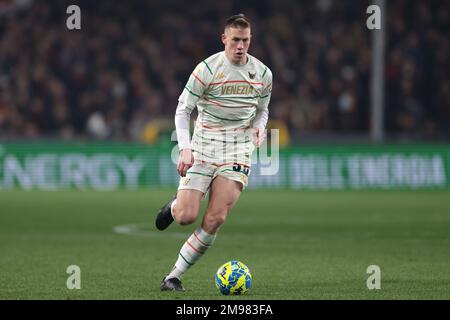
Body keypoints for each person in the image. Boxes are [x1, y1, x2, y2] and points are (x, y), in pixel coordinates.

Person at [155, 13, 273, 291]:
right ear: (224, 39)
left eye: (245, 40)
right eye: (235, 40)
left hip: (238, 148)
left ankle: (173, 276)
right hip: (204, 145)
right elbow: (183, 110)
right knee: (186, 216)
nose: (240, 46)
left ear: (250, 39)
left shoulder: (263, 74)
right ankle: (174, 207)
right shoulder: (207, 70)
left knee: (217, 216)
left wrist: (259, 127)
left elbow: (263, 110)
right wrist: (184, 148)